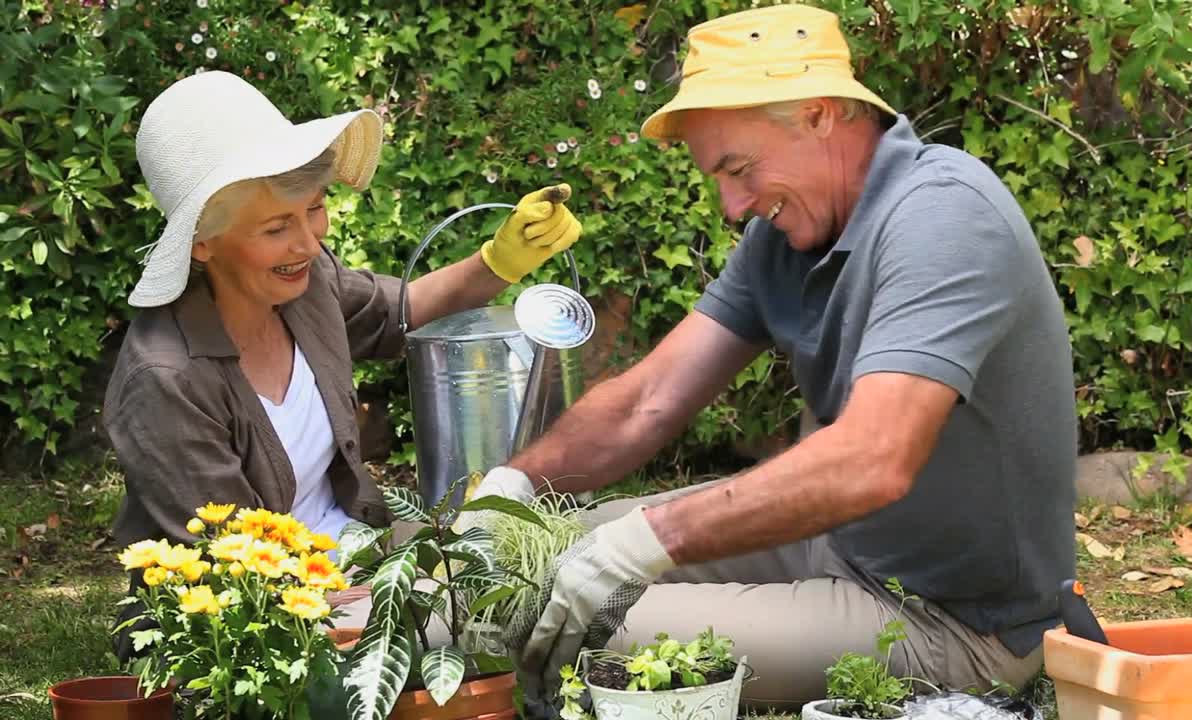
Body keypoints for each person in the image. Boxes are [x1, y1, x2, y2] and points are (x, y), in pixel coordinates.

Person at [470, 4, 1077, 713]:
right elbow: (648, 401)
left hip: (952, 622)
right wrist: (512, 489)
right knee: (513, 570)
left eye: (739, 168)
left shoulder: (944, 216)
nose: (732, 206)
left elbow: (873, 457)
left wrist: (649, 541)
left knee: (538, 625)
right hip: (831, 546)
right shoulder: (789, 234)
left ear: (819, 114)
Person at [105, 70, 581, 657]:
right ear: (202, 242)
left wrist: (501, 259)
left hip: (358, 558)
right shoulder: (166, 380)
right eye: (277, 227)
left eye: (315, 209)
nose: (308, 242)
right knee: (520, 610)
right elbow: (240, 570)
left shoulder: (302, 286)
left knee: (552, 550)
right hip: (264, 616)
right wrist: (408, 596)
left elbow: (393, 312)